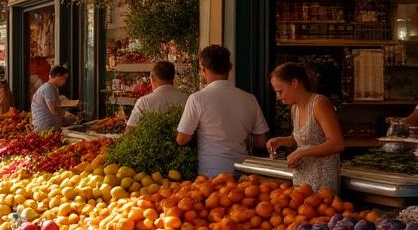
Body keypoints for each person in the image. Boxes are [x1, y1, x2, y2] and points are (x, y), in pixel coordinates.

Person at [176, 45, 270, 177]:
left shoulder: (197, 99)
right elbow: (261, 142)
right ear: (230, 67)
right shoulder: (250, 99)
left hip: (211, 174)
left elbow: (182, 139)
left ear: (203, 69)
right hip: (242, 173)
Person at [265, 62, 344, 189]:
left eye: (280, 91)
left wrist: (301, 153)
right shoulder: (294, 108)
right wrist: (281, 141)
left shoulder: (320, 104)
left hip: (323, 178)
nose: (278, 97)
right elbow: (302, 139)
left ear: (294, 83)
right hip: (301, 177)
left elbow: (337, 143)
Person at [125, 61, 188, 130]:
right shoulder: (187, 99)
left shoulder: (144, 102)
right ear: (173, 78)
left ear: (152, 78)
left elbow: (129, 131)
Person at [30, 66, 74, 132]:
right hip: (46, 129)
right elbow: (54, 110)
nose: (65, 81)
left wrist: (66, 120)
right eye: (64, 78)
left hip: (49, 127)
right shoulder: (48, 88)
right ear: (58, 76)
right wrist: (66, 113)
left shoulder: (51, 88)